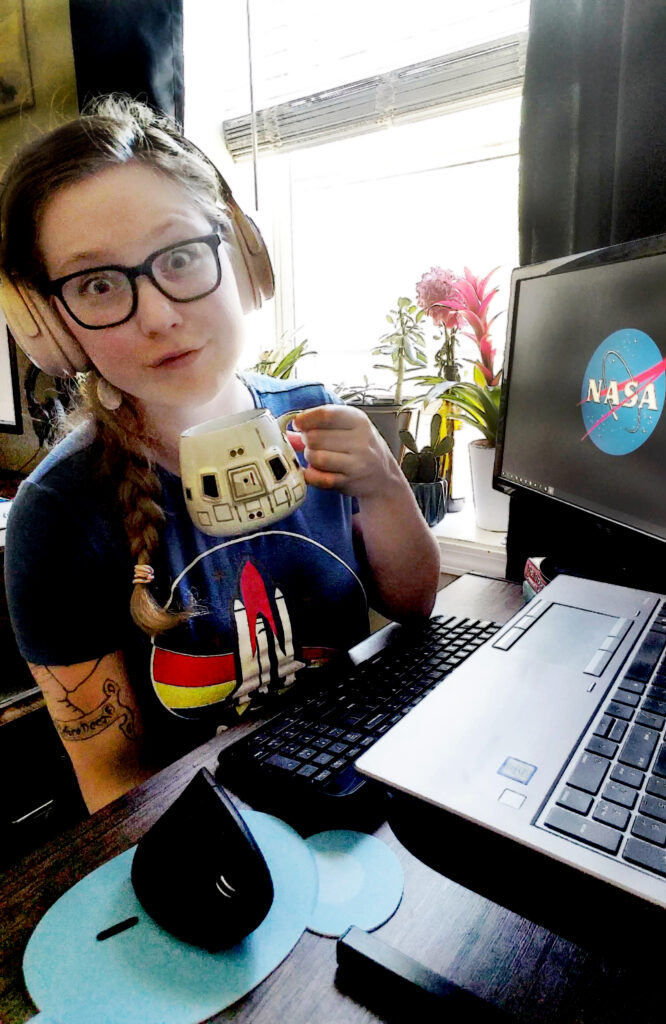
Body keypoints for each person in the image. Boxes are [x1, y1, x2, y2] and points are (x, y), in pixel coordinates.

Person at [0, 96, 440, 814]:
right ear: (54, 326)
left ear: (238, 250)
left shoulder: (315, 415)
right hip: (213, 844)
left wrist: (386, 485)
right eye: (98, 284)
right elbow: (111, 784)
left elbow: (413, 601)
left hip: (363, 788)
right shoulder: (58, 515)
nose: (158, 315)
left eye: (178, 257)